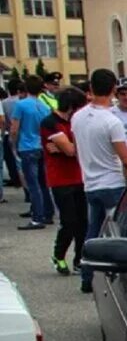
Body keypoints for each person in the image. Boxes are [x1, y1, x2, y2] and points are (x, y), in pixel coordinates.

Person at [73, 68, 127, 294]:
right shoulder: (112, 121)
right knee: (120, 234)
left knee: (93, 232)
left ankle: (86, 277)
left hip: (90, 183)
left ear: (90, 88)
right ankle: (122, 282)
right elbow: (126, 160)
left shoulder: (78, 117)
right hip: (112, 183)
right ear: (113, 90)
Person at [41, 86, 88, 274]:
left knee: (83, 221)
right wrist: (70, 148)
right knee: (69, 221)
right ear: (70, 107)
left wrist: (65, 148)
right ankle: (59, 255)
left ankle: (79, 259)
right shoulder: (50, 122)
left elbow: (73, 148)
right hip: (60, 179)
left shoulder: (75, 122)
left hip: (80, 177)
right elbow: (70, 150)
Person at [10, 74, 53, 230]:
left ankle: (37, 217)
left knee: (32, 184)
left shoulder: (21, 105)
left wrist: (13, 145)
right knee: (43, 182)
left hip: (27, 146)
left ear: (26, 88)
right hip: (41, 145)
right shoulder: (44, 106)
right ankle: (48, 212)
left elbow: (14, 128)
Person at [2, 82, 22, 189]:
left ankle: (16, 180)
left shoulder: (4, 103)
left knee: (12, 159)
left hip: (10, 132)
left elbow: (4, 120)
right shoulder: (22, 101)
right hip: (23, 133)